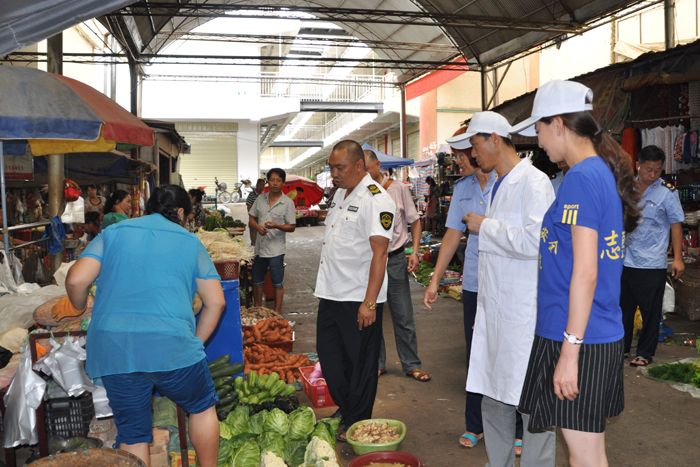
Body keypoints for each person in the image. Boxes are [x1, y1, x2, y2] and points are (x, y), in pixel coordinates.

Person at [511, 79, 640, 467]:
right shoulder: (592, 172)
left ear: (558, 123)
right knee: (588, 451)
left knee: (583, 455)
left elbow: (586, 272)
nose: (539, 140)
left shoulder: (583, 177)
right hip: (585, 331)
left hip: (580, 336)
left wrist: (570, 352)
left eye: (538, 128)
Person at [65, 185, 226, 467]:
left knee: (133, 433)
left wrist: (78, 307)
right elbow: (216, 303)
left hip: (116, 351)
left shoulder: (114, 233)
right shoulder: (190, 242)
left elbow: (76, 280)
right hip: (172, 346)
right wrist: (195, 345)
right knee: (201, 408)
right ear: (180, 212)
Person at [462, 111, 555, 467]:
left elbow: (536, 242)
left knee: (531, 403)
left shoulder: (534, 183)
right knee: (494, 395)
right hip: (497, 311)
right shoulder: (499, 183)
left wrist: (487, 227)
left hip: (523, 314)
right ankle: (496, 462)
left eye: (475, 144)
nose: (473, 154)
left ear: (494, 139)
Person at [314, 139, 395, 439]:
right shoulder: (339, 194)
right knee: (331, 358)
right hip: (331, 292)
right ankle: (348, 408)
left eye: (340, 167)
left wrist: (370, 303)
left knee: (359, 364)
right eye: (331, 168)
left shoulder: (377, 200)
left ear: (359, 166)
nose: (333, 174)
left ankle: (357, 420)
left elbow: (380, 253)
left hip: (358, 297)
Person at [364, 149, 430, 382]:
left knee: (403, 315)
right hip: (370, 262)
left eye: (367, 168)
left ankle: (411, 364)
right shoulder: (362, 192)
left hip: (394, 259)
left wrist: (415, 250)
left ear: (378, 165)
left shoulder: (398, 189)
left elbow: (415, 221)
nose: (364, 173)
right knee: (373, 313)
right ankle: (377, 363)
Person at [621, 145, 684, 367]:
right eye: (648, 169)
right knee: (623, 310)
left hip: (651, 262)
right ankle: (623, 349)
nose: (653, 174)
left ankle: (645, 353)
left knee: (650, 312)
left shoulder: (667, 192)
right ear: (638, 165)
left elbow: (676, 224)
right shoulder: (625, 187)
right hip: (624, 259)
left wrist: (677, 258)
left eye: (657, 169)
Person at [248, 168, 296, 314]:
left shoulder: (287, 203)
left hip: (276, 250)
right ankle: (257, 310)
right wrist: (257, 227)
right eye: (272, 180)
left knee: (277, 282)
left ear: (283, 183)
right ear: (268, 181)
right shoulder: (260, 199)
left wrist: (276, 225)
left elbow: (292, 226)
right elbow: (251, 219)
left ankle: (277, 312)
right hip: (260, 249)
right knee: (257, 281)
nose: (275, 183)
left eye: (278, 180)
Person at [247, 178, 266, 245]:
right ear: (257, 185)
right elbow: (248, 208)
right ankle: (255, 254)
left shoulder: (264, 195)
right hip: (254, 220)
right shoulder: (251, 195)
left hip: (262, 220)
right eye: (261, 185)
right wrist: (252, 218)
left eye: (263, 185)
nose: (262, 186)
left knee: (262, 241)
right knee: (254, 241)